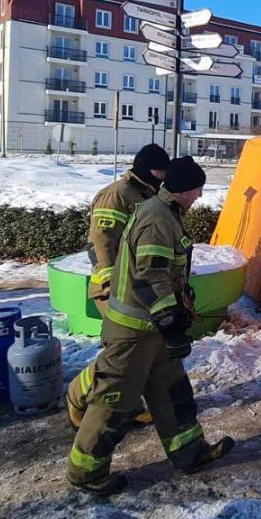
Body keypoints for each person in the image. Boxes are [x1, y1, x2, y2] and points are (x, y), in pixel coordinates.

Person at [66, 156, 233, 496]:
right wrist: (170, 318)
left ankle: (189, 452)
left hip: (152, 330)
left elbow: (165, 271)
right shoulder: (157, 218)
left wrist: (176, 308)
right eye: (198, 189)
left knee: (173, 394)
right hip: (134, 332)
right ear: (185, 189)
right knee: (115, 402)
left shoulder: (164, 211)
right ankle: (86, 472)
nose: (200, 196)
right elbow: (149, 275)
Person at [85, 143, 168, 306]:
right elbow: (102, 239)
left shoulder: (148, 194)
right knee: (122, 330)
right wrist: (110, 282)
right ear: (146, 169)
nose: (163, 176)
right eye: (160, 170)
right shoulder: (116, 195)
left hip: (135, 283)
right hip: (114, 286)